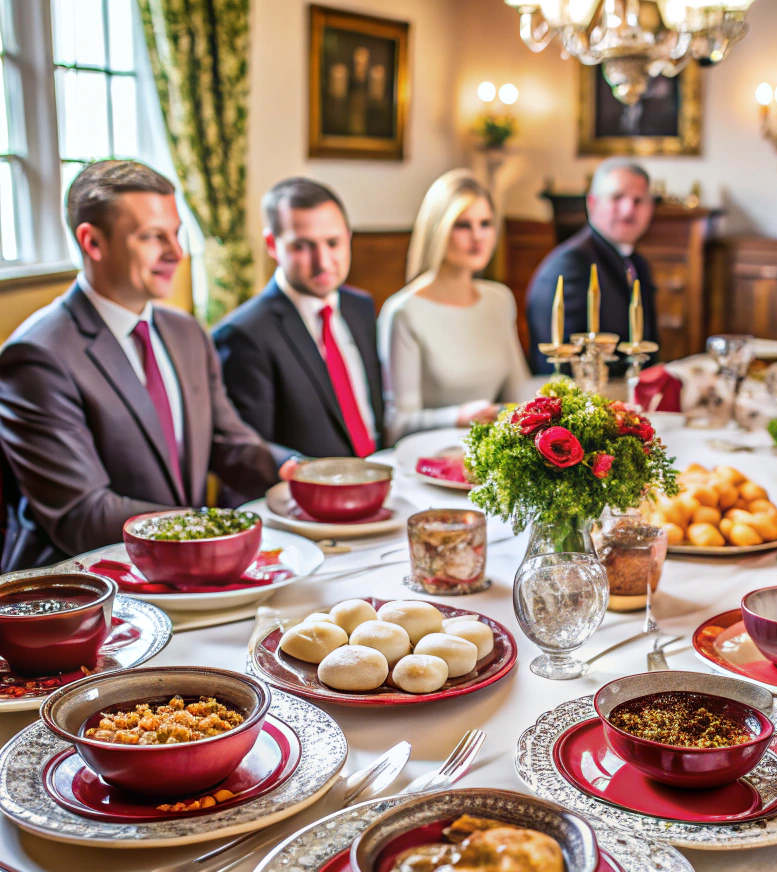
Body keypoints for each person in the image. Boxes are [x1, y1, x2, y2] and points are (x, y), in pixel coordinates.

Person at [0, 160, 278, 571]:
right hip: (90, 590)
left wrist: (298, 471)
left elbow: (227, 441)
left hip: (184, 570)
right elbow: (84, 514)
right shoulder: (36, 356)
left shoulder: (186, 331)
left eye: (177, 234)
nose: (176, 253)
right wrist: (209, 529)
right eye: (153, 237)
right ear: (92, 242)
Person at [214, 178, 383, 459]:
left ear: (349, 236)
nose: (324, 261)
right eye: (303, 246)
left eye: (333, 242)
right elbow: (250, 454)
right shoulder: (244, 334)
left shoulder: (361, 307)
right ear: (272, 244)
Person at [377, 169, 531, 444]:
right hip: (429, 459)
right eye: (463, 225)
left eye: (485, 223)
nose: (478, 236)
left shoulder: (499, 299)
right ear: (438, 229)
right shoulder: (404, 311)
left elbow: (519, 393)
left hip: (493, 457)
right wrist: (459, 416)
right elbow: (397, 426)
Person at [525, 158, 658, 376]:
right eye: (617, 197)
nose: (628, 210)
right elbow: (566, 363)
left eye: (638, 200)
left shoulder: (637, 263)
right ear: (592, 203)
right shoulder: (571, 265)